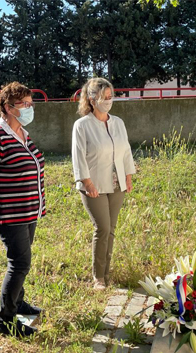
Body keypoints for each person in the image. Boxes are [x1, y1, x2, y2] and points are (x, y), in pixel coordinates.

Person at [0, 82, 46, 337]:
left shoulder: (22, 134)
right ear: (7, 107)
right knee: (20, 262)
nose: (29, 108)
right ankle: (6, 319)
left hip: (28, 211)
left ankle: (19, 303)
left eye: (30, 103)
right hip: (9, 214)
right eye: (24, 104)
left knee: (21, 260)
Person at [71, 78, 136, 291]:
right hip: (94, 185)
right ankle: (98, 276)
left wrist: (128, 174)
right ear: (91, 99)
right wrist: (86, 181)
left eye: (110, 97)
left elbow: (125, 150)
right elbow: (78, 156)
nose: (108, 101)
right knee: (103, 227)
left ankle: (107, 273)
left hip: (117, 183)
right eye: (103, 98)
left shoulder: (118, 122)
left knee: (112, 229)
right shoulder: (82, 125)